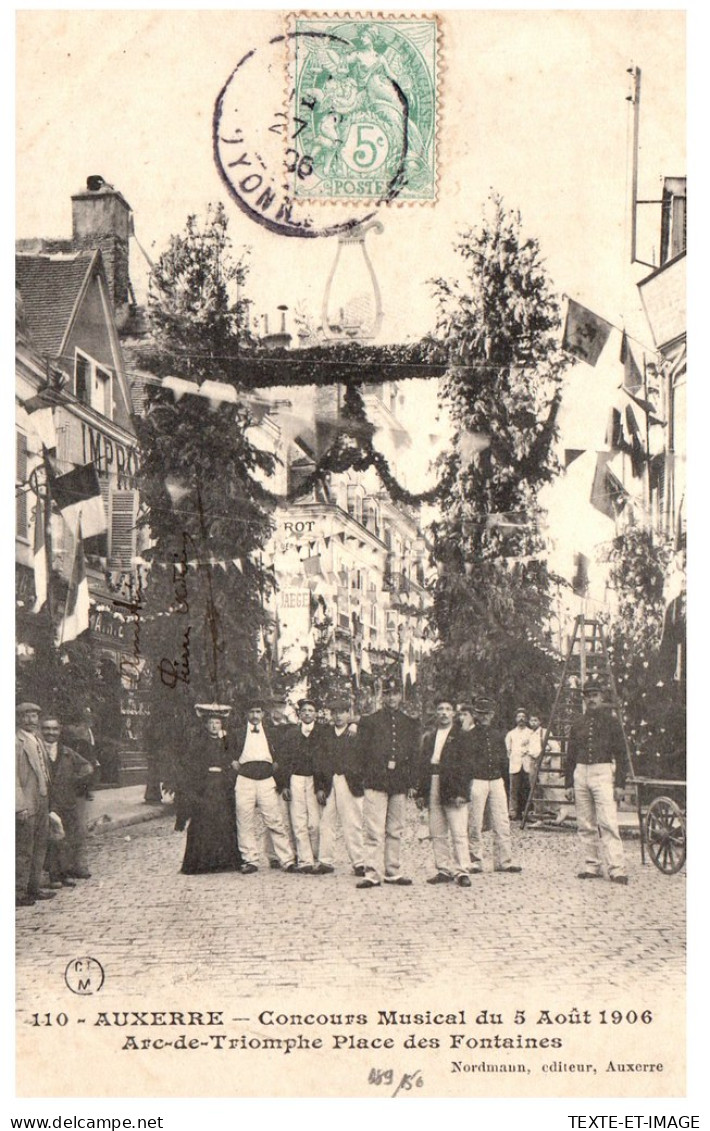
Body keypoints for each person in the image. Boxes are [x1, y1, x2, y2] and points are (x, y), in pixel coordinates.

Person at [354, 677, 419, 889]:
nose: (392, 698)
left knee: (395, 829)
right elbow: (361, 753)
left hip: (398, 782)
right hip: (376, 780)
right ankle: (371, 872)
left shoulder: (408, 722)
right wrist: (363, 779)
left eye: (396, 693)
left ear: (400, 696)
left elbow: (412, 755)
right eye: (388, 694)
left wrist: (411, 781)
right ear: (383, 696)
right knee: (373, 830)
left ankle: (393, 870)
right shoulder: (370, 721)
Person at [564, 685, 629, 885]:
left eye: (594, 695)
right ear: (583, 700)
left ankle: (617, 868)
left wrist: (619, 784)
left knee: (608, 822)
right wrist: (568, 784)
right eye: (587, 696)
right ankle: (591, 865)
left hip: (602, 772)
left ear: (601, 697)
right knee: (585, 823)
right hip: (581, 773)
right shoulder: (578, 723)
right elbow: (570, 756)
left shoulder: (612, 723)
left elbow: (621, 754)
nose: (591, 699)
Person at [175, 704, 241, 875]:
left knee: (224, 820)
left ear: (221, 725)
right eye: (211, 723)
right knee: (203, 821)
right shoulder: (198, 742)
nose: (214, 726)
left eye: (217, 723)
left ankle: (224, 862)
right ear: (206, 725)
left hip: (222, 785)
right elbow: (191, 765)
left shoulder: (226, 742)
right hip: (204, 785)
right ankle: (201, 863)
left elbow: (232, 760)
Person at [231, 699, 296, 874]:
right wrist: (233, 762)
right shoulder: (236, 733)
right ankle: (250, 859)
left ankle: (287, 860)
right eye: (251, 712)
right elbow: (227, 752)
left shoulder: (272, 733)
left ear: (263, 714)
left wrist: (277, 765)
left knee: (274, 820)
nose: (254, 715)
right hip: (245, 779)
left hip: (266, 779)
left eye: (258, 712)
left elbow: (281, 753)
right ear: (246, 714)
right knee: (244, 820)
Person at [461, 697, 522, 875]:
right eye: (481, 714)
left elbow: (504, 761)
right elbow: (466, 762)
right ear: (476, 715)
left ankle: (504, 861)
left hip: (496, 781)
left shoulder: (498, 735)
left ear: (492, 715)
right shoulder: (469, 736)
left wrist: (504, 782)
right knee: (475, 822)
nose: (485, 717)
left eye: (487, 713)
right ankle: (475, 861)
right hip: (477, 780)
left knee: (502, 821)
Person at [416, 697, 472, 887]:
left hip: (452, 786)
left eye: (448, 709)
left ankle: (462, 870)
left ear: (453, 714)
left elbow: (466, 767)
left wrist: (462, 793)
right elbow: (423, 765)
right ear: (436, 713)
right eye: (440, 709)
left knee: (458, 831)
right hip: (433, 781)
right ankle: (443, 869)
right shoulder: (430, 737)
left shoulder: (462, 737)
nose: (444, 713)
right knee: (437, 830)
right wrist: (421, 794)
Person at [41, 715, 94, 888]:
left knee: (67, 837)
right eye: (47, 729)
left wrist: (74, 781)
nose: (51, 732)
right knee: (50, 838)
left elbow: (87, 767)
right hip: (47, 801)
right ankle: (54, 875)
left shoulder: (67, 752)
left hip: (66, 800)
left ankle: (66, 873)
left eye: (54, 729)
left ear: (59, 730)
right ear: (41, 731)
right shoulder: (38, 750)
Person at [315, 696, 364, 876]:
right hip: (329, 782)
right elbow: (319, 761)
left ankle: (359, 862)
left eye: (342, 713)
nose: (338, 717)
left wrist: (355, 724)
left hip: (349, 781)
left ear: (348, 714)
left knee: (352, 823)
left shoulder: (356, 733)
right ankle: (325, 861)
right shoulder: (325, 734)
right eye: (334, 713)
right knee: (326, 822)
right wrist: (319, 786)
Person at [15, 702, 56, 907]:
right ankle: (18, 891)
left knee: (40, 844)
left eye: (34, 716)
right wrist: (18, 805)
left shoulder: (38, 739)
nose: (30, 720)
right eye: (26, 716)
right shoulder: (15, 741)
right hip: (27, 800)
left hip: (42, 797)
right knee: (24, 848)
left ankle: (34, 887)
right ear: (18, 718)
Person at [280, 699, 328, 874]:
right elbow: (284, 761)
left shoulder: (323, 733)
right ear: (299, 714)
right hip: (296, 779)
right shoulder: (291, 734)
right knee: (298, 821)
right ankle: (304, 859)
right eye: (304, 710)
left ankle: (316, 856)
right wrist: (285, 784)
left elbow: (325, 763)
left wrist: (322, 786)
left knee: (314, 823)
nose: (307, 713)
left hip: (314, 781)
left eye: (311, 710)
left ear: (316, 714)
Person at [505, 706, 530, 820]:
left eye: (523, 717)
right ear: (515, 719)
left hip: (527, 764)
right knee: (513, 790)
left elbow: (534, 747)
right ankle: (513, 812)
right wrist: (513, 756)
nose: (521, 719)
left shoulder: (531, 733)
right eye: (519, 716)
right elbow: (508, 749)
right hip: (515, 764)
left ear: (526, 719)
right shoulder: (511, 733)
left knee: (527, 789)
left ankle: (526, 812)